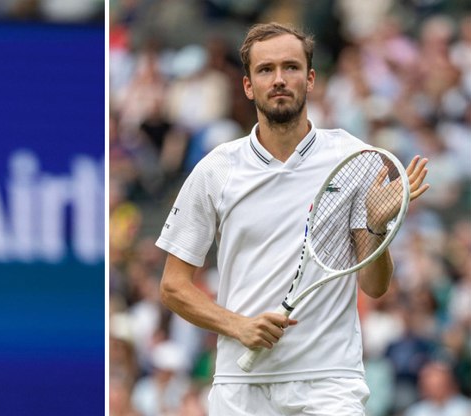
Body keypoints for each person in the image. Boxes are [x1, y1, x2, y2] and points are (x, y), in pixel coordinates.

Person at [156, 22, 430, 415]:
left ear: (311, 78)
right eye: (266, 70)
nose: (279, 79)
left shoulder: (353, 157)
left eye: (291, 67)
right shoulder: (217, 169)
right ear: (248, 85)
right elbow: (173, 286)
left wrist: (376, 224)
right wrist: (238, 326)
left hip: (329, 381)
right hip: (240, 386)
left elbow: (374, 286)